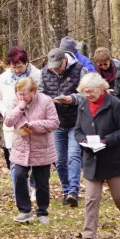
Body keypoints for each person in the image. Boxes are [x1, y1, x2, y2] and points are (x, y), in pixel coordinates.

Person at [75, 72, 120, 239]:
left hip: (113, 158)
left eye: (90, 91)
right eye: (85, 92)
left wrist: (106, 141)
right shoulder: (83, 106)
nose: (88, 95)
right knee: (91, 198)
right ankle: (88, 234)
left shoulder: (115, 104)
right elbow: (77, 130)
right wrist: (83, 140)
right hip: (92, 159)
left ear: (101, 88)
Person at [3, 76, 59, 223]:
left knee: (42, 181)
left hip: (42, 147)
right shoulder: (14, 102)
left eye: (25, 93)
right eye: (19, 93)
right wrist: (19, 108)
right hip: (21, 147)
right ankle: (24, 210)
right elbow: (8, 122)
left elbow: (54, 123)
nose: (22, 97)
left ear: (33, 91)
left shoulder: (46, 101)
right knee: (19, 177)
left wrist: (34, 125)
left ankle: (42, 211)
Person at [40, 46, 86, 207]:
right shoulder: (45, 72)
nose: (56, 70)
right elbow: (40, 93)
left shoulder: (79, 70)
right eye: (53, 67)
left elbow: (88, 94)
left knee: (73, 155)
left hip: (76, 121)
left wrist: (72, 99)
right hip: (56, 123)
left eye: (58, 66)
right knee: (59, 160)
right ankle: (66, 190)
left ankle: (74, 191)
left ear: (65, 60)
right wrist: (48, 101)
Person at [0, 47, 41, 178]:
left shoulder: (37, 76)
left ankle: (34, 186)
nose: (17, 70)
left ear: (26, 63)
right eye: (14, 67)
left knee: (33, 157)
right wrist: (3, 112)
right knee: (15, 159)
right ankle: (19, 192)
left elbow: (43, 100)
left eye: (20, 67)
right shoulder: (3, 78)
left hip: (31, 122)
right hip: (12, 121)